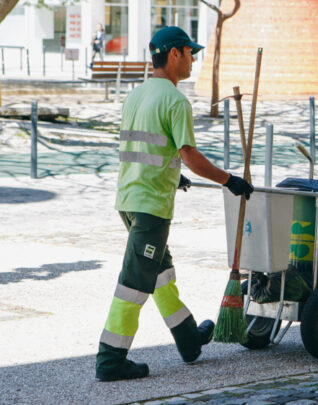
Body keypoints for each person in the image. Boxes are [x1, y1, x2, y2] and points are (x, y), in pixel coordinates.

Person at [95, 26, 254, 382]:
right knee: (135, 282)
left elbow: (146, 151)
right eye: (190, 52)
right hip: (151, 207)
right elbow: (189, 155)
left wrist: (173, 175)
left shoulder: (135, 96)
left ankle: (188, 341)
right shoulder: (174, 100)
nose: (193, 59)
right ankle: (110, 360)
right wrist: (230, 181)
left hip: (130, 200)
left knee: (161, 276)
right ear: (173, 54)